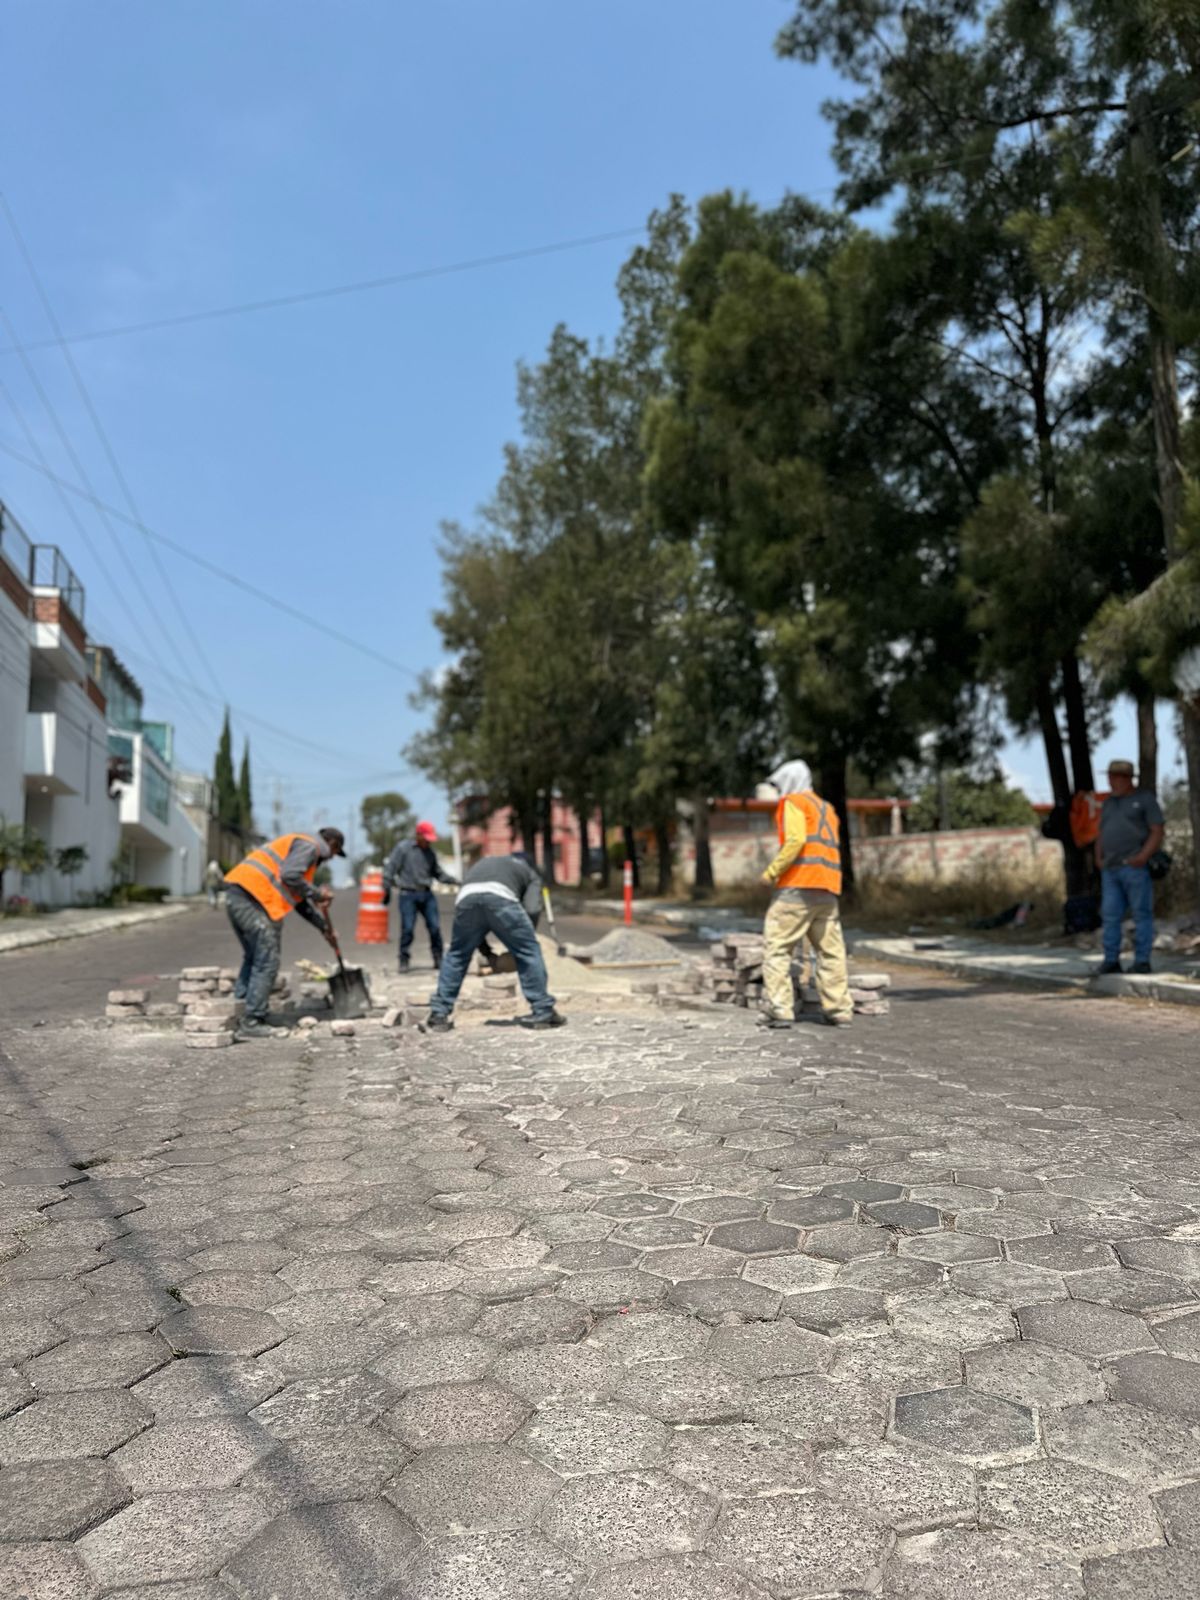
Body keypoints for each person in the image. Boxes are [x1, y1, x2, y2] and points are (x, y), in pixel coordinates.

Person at [757, 758, 853, 1028]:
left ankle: (780, 1010)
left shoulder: (794, 803)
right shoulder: (827, 809)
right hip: (827, 890)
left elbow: (796, 840)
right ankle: (839, 1009)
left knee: (777, 948)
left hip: (796, 889)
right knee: (831, 952)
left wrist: (771, 872)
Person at [223, 827, 344, 1040]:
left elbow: (300, 902)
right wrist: (317, 894)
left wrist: (324, 928)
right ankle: (252, 1020)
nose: (331, 858)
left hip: (239, 895)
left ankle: (240, 1012)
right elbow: (290, 876)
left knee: (254, 957)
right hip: (251, 898)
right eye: (334, 853)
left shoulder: (301, 849)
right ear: (332, 844)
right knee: (267, 960)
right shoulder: (309, 847)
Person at [428, 851, 565, 1032]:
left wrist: (487, 953)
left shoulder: (485, 862)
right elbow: (532, 909)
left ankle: (439, 1014)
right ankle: (543, 1010)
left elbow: (475, 923)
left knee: (458, 954)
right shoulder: (530, 873)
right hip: (501, 898)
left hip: (466, 899)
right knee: (529, 951)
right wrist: (523, 940)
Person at [1095, 760, 1165, 975]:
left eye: (1115, 777)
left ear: (1126, 779)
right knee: (1110, 915)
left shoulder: (1144, 800)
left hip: (1134, 867)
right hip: (1111, 868)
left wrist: (1144, 855)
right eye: (1110, 776)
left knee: (1141, 913)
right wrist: (1098, 856)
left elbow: (1157, 829)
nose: (1111, 781)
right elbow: (1102, 832)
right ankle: (1111, 959)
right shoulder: (1108, 803)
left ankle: (1142, 960)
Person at [381, 821, 458, 973]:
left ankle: (438, 958)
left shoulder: (430, 853)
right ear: (418, 835)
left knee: (435, 927)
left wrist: (456, 881)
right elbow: (390, 869)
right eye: (426, 838)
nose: (428, 841)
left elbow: (438, 874)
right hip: (407, 894)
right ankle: (404, 959)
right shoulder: (403, 848)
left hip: (427, 894)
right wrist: (386, 888)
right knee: (408, 929)